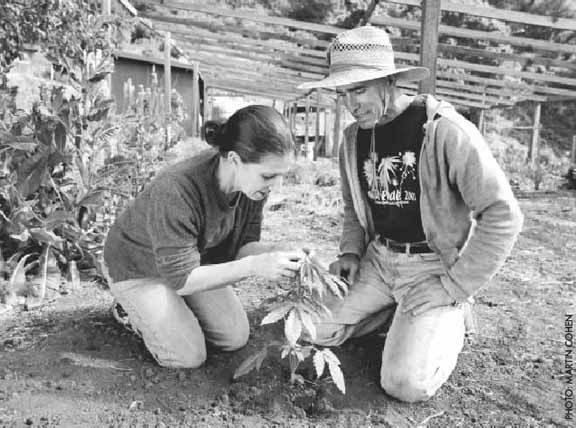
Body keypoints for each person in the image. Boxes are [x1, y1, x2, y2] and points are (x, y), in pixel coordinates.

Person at [297, 26, 523, 402]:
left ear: (389, 81)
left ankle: (447, 317)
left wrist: (455, 285)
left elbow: (502, 214)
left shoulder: (443, 131)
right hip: (379, 261)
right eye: (343, 94)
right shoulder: (353, 138)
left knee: (404, 384)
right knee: (310, 329)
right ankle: (399, 316)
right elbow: (355, 206)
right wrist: (351, 252)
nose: (351, 105)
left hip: (433, 266)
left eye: (359, 90)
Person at [103, 105, 302, 369]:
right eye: (269, 176)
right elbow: (182, 280)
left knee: (234, 336)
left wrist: (276, 250)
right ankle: (129, 309)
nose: (276, 186)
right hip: (138, 267)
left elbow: (244, 247)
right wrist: (255, 266)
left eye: (281, 176)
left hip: (191, 261)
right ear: (233, 159)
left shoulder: (252, 188)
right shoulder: (176, 190)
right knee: (188, 356)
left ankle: (172, 310)